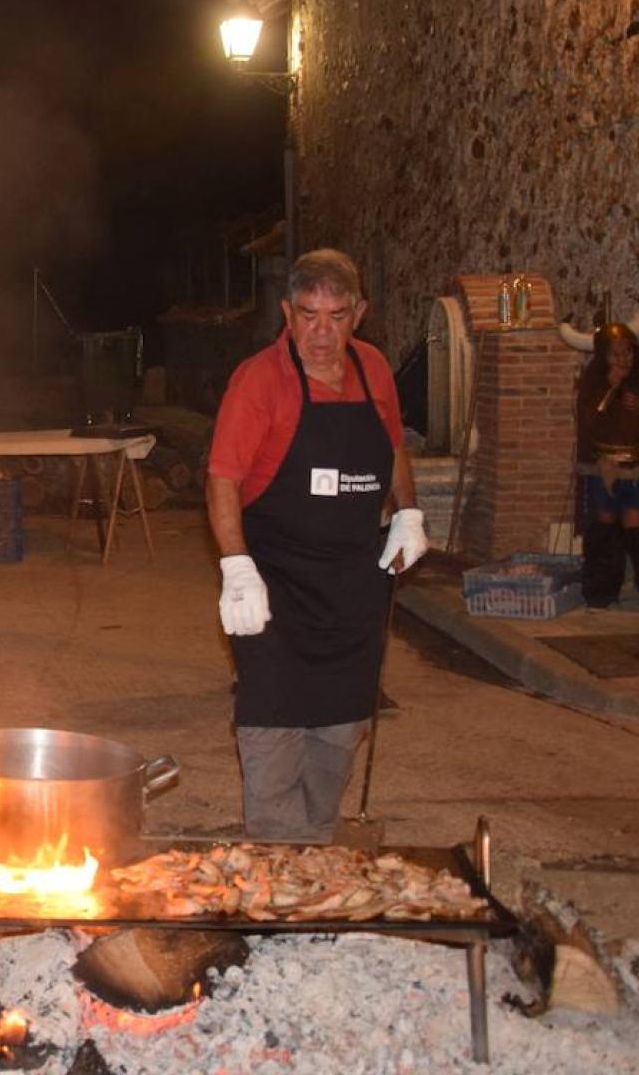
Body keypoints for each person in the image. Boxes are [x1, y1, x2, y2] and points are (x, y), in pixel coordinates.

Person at [206, 248, 426, 843]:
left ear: (360, 313)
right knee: (272, 726)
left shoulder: (375, 368)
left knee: (340, 728)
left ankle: (316, 842)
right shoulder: (259, 381)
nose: (321, 333)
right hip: (275, 585)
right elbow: (223, 476)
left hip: (353, 584)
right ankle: (277, 860)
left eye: (336, 316)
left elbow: (394, 444)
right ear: (287, 311)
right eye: (307, 315)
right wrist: (236, 566)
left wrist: (408, 511)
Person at [575, 321, 639, 609]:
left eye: (627, 353)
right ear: (603, 357)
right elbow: (588, 423)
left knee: (637, 531)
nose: (623, 360)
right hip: (603, 466)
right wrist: (609, 391)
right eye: (615, 354)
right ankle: (602, 593)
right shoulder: (592, 386)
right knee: (604, 531)